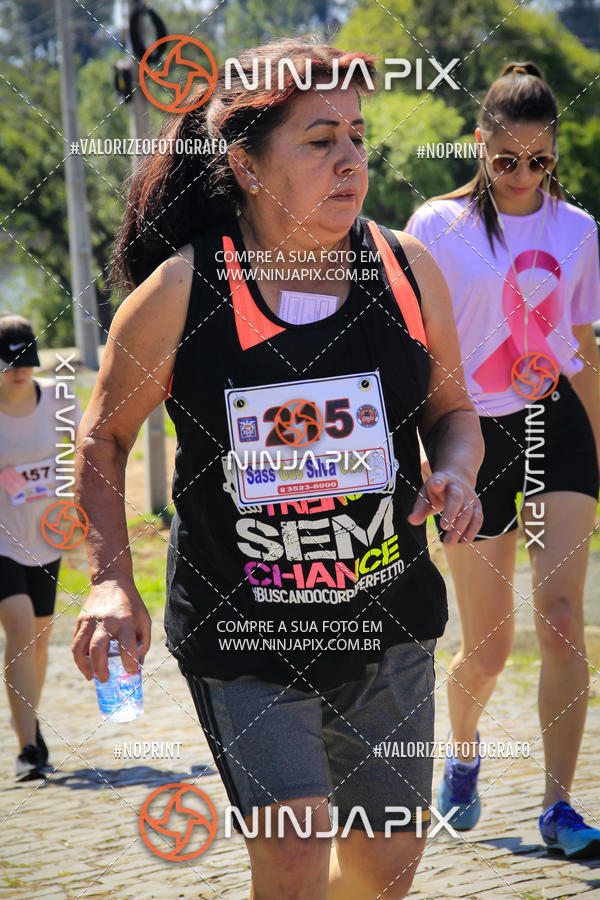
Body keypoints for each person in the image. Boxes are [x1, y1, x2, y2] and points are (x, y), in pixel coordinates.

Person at [72, 38, 483, 898]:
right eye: (319, 138)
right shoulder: (186, 290)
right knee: (296, 855)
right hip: (248, 634)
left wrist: (457, 471)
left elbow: (454, 412)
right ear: (248, 166)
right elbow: (103, 439)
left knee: (383, 873)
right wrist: (112, 580)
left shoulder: (409, 271)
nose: (351, 160)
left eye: (359, 137)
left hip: (387, 623)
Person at [406, 61, 600, 857]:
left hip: (558, 426)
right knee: (486, 649)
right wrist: (429, 459)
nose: (523, 176)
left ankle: (559, 806)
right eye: (507, 160)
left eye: (540, 161)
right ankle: (463, 754)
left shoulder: (580, 232)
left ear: (556, 154)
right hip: (472, 434)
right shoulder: (434, 228)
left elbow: (583, 349)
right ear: (478, 145)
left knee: (560, 625)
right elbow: (418, 355)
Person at [0, 314, 83, 781]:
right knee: (16, 625)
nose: (19, 371)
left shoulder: (59, 398)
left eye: (25, 360)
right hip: (1, 537)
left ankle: (28, 721)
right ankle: (28, 748)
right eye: (9, 362)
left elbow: (89, 449)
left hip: (46, 536)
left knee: (37, 636)